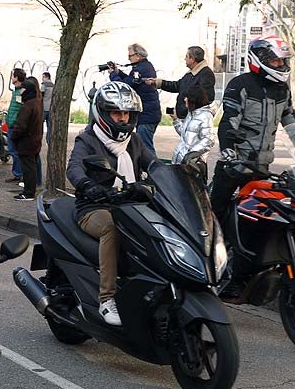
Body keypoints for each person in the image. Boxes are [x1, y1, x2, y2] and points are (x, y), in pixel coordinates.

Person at [212, 36, 295, 301]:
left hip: (261, 168)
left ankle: (248, 275)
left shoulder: (282, 91)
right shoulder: (241, 85)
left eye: (283, 60)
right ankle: (208, 271)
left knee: (259, 224)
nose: (280, 64)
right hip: (234, 166)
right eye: (275, 60)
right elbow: (228, 122)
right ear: (259, 59)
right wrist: (228, 151)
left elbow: (294, 125)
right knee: (215, 218)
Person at [67, 81, 158, 326]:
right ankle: (107, 299)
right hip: (95, 207)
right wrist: (88, 185)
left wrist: (176, 174)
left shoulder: (135, 141)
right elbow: (74, 168)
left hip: (131, 206)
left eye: (126, 113)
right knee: (113, 227)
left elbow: (154, 165)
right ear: (104, 114)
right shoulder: (87, 140)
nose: (122, 119)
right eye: (117, 113)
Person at [107, 43, 159, 153]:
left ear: (138, 56)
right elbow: (130, 81)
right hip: (148, 114)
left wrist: (112, 74)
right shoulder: (144, 67)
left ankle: (155, 170)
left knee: (146, 148)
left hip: (147, 116)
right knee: (142, 147)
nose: (128, 58)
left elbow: (124, 88)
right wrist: (118, 72)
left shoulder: (140, 69)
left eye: (130, 56)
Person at [145, 45, 216, 119]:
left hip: (194, 118)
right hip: (186, 117)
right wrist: (158, 82)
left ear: (192, 59)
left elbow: (206, 98)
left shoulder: (206, 74)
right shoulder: (190, 74)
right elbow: (177, 86)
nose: (184, 59)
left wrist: (188, 110)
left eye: (186, 56)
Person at [170, 84, 216, 174]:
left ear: (193, 99)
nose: (185, 100)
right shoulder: (191, 114)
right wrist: (176, 120)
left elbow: (209, 139)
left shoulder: (205, 116)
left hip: (192, 165)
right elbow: (185, 134)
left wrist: (191, 154)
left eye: (187, 97)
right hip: (181, 161)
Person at [11, 76, 44, 200]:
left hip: (27, 142)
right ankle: (30, 190)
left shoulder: (28, 106)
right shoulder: (37, 102)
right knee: (32, 167)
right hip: (35, 140)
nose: (21, 91)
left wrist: (14, 136)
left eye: (23, 89)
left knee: (28, 168)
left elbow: (21, 126)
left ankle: (28, 192)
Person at [5, 68, 27, 183]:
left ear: (17, 78)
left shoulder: (21, 92)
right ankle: (17, 173)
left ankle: (18, 173)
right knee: (13, 151)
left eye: (13, 76)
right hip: (11, 125)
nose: (11, 78)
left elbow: (20, 110)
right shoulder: (16, 92)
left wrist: (13, 121)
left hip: (14, 126)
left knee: (14, 151)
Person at [40, 71, 54, 144]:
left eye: (43, 77)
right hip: (51, 108)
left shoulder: (44, 85)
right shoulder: (53, 85)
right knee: (49, 127)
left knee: (39, 125)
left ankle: (39, 140)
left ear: (47, 77)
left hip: (44, 107)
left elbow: (41, 96)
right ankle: (49, 142)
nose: (42, 79)